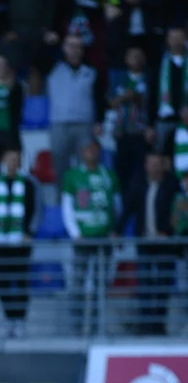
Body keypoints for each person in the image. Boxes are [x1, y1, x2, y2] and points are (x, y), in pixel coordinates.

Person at [62, 139, 120, 335]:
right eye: (88, 148)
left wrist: (115, 229)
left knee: (100, 286)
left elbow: (116, 205)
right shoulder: (73, 176)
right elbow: (67, 206)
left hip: (104, 239)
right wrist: (75, 233)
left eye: (94, 148)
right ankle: (76, 328)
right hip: (83, 239)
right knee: (78, 284)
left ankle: (96, 329)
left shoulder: (109, 175)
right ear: (81, 151)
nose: (91, 152)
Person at [119, 152, 180, 335]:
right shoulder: (138, 183)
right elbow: (128, 208)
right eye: (151, 163)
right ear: (145, 165)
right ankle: (146, 325)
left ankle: (159, 325)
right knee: (145, 285)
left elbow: (179, 213)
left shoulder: (172, 185)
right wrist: (117, 231)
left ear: (163, 165)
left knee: (162, 286)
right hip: (144, 242)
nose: (154, 167)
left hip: (165, 245)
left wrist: (168, 232)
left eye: (157, 163)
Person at [0, 144, 38, 338]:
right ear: (3, 161)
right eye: (10, 158)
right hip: (0, 242)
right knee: (3, 283)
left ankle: (20, 319)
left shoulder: (28, 183)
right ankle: (9, 319)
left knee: (21, 282)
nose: (13, 163)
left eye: (16, 159)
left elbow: (36, 208)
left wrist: (29, 232)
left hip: (21, 243)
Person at [48, 36, 106, 188]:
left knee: (87, 163)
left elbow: (99, 98)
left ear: (82, 49)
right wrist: (47, 44)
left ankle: (85, 200)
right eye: (70, 45)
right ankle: (62, 199)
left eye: (77, 46)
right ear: (64, 48)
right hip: (59, 123)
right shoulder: (53, 67)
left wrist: (99, 121)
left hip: (84, 124)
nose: (74, 49)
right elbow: (36, 59)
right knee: (59, 164)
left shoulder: (91, 71)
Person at [0, 0, 58, 95]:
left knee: (34, 70)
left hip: (37, 30)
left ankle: (32, 107)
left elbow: (50, 2)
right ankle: (8, 104)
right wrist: (6, 29)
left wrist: (46, 28)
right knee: (9, 68)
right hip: (14, 29)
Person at [110, 47, 156, 190]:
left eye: (139, 56)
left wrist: (135, 97)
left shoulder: (149, 78)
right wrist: (124, 97)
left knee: (139, 172)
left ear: (143, 59)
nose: (135, 59)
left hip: (140, 132)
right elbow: (111, 103)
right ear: (126, 59)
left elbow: (152, 104)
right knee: (121, 171)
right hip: (121, 132)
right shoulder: (118, 78)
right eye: (132, 56)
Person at [154, 27, 187, 147]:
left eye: (180, 37)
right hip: (165, 118)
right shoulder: (159, 63)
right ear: (167, 40)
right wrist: (151, 123)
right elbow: (152, 93)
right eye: (173, 38)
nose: (176, 41)